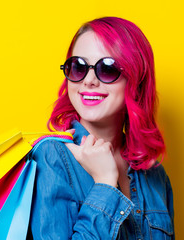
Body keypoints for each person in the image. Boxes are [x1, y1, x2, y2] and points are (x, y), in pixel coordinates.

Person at [27, 17, 174, 240]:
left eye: (107, 68)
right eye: (78, 67)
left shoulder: (155, 174)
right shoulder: (51, 157)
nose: (89, 80)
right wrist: (105, 182)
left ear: (136, 79)